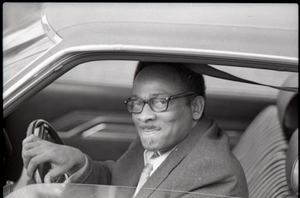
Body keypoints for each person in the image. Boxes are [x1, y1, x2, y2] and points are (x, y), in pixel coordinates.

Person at [22, 62, 249, 197]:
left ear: (196, 107)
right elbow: (121, 182)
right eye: (137, 103)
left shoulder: (216, 178)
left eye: (160, 101)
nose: (144, 116)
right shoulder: (161, 142)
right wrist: (79, 162)